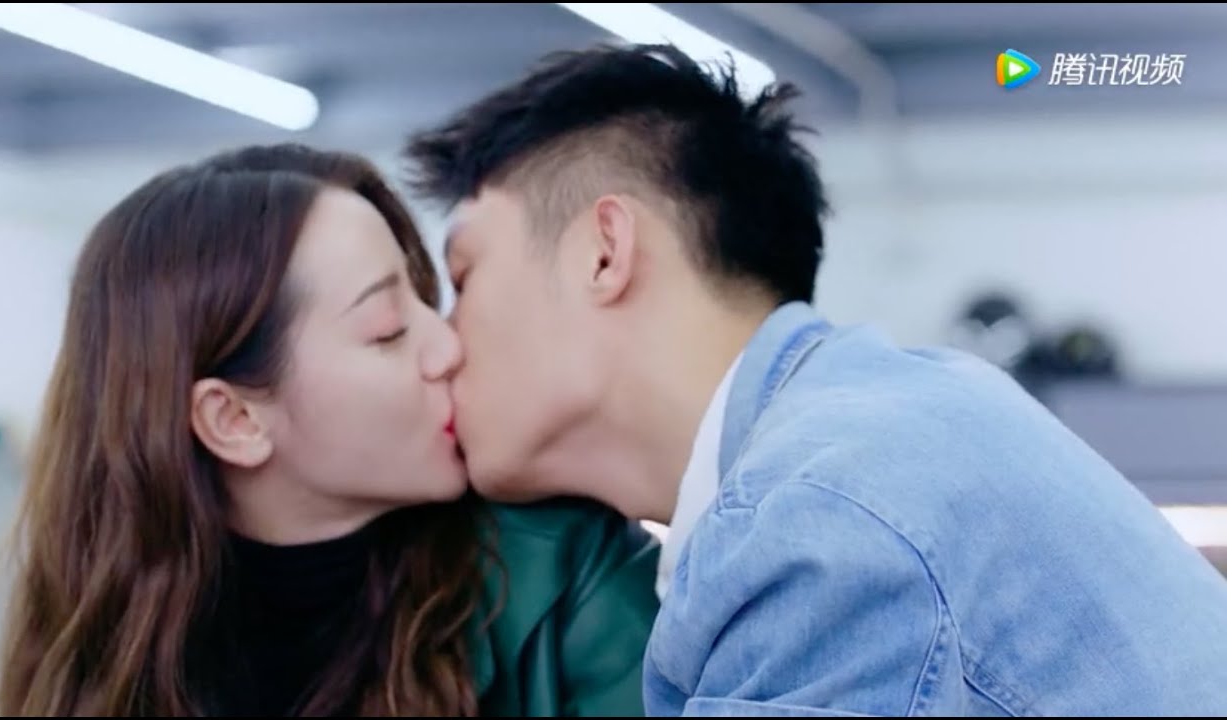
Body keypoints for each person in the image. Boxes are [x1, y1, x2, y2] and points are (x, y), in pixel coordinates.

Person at [403, 42, 1227, 716]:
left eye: (464, 279)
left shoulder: (821, 506)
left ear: (603, 254)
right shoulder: (876, 423)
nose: (439, 344)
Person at [0, 144, 658, 717]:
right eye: (388, 331)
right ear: (235, 420)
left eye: (427, 300)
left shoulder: (568, 568)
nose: (448, 347)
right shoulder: (100, 645)